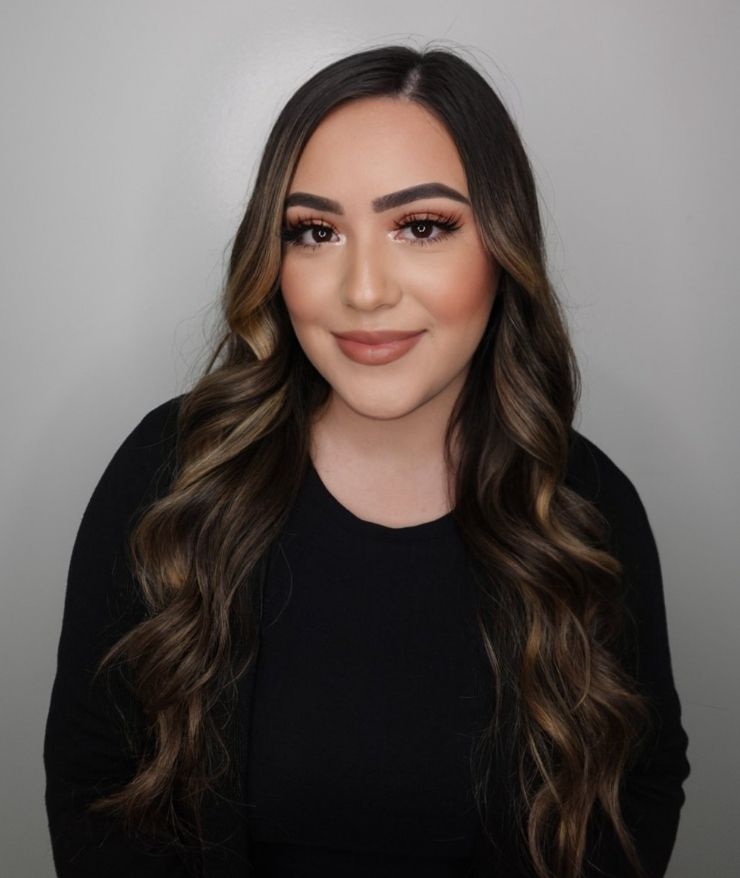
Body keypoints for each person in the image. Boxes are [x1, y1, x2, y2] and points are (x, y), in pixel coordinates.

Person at [43, 44, 690, 878]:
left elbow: (636, 788)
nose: (364, 290)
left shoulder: (586, 508)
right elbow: (96, 787)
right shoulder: (170, 478)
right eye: (315, 232)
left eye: (421, 226)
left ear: (503, 246)